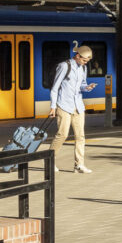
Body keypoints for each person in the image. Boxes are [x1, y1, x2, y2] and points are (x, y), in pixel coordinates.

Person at [49, 45, 97, 174]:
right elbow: (55, 87)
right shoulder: (64, 66)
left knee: (80, 136)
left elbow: (82, 85)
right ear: (77, 56)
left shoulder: (83, 68)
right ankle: (50, 162)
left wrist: (87, 88)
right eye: (84, 60)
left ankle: (79, 165)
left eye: (87, 61)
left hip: (78, 106)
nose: (86, 63)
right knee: (62, 135)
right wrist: (53, 106)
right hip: (63, 105)